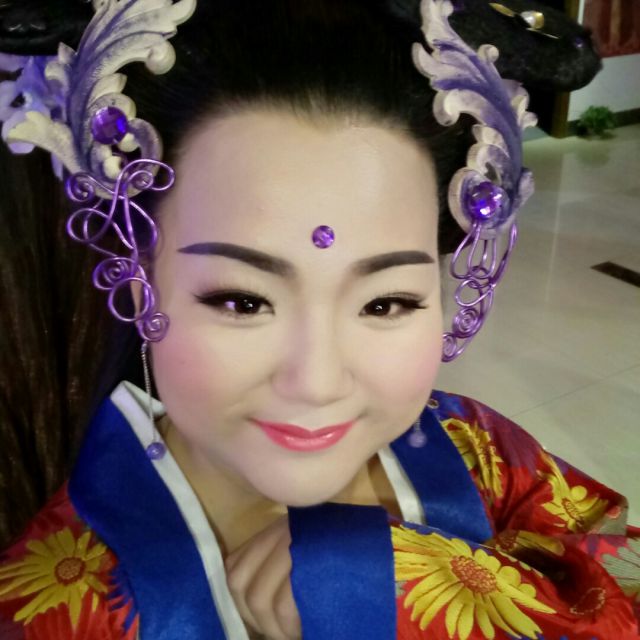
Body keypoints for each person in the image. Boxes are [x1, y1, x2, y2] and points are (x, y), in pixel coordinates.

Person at [0, 1, 638, 639]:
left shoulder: (477, 448)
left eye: (385, 303)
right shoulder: (54, 609)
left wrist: (409, 588)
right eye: (243, 301)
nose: (317, 383)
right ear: (139, 283)